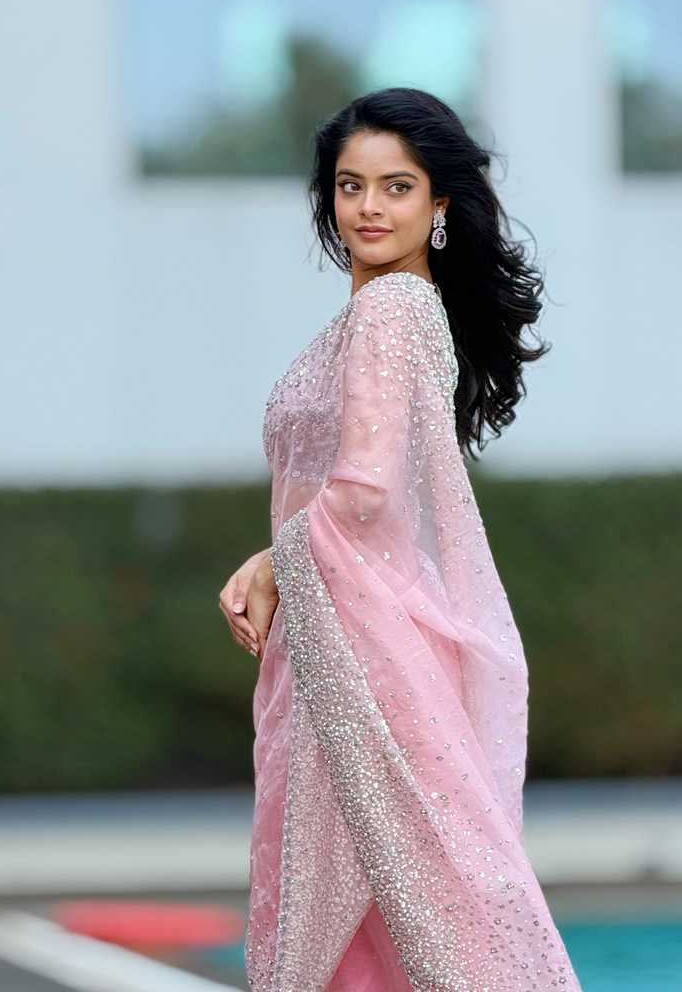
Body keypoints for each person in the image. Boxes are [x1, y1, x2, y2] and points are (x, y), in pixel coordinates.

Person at [219, 87, 584, 991]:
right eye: (351, 186)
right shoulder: (383, 314)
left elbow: (366, 493)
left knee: (403, 913)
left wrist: (271, 563)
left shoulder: (392, 311)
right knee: (395, 909)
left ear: (439, 204)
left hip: (364, 656)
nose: (370, 208)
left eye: (397, 186)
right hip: (336, 641)